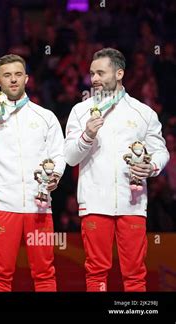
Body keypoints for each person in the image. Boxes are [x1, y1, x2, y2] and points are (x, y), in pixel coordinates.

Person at [64, 48, 169, 291]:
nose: (95, 79)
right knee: (96, 273)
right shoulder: (81, 111)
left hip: (131, 203)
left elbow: (161, 151)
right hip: (94, 202)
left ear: (119, 73)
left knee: (134, 274)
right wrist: (87, 135)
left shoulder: (143, 113)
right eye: (92, 73)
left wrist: (151, 165)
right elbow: (69, 157)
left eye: (101, 72)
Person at [0, 54, 65, 292]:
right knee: (0, 274)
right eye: (7, 75)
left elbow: (59, 155)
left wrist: (56, 176)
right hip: (4, 207)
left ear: (27, 78)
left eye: (18, 74)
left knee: (44, 272)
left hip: (40, 206)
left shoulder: (45, 117)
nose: (13, 80)